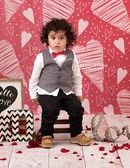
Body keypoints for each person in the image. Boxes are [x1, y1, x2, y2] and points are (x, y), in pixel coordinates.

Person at [29, 18, 92, 148]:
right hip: (46, 91)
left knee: (76, 108)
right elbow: (34, 77)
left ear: (68, 39)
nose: (57, 41)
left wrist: (78, 93)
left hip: (66, 90)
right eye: (53, 38)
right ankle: (46, 135)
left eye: (61, 38)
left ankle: (76, 134)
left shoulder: (72, 56)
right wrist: (33, 94)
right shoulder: (41, 56)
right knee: (50, 109)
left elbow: (76, 76)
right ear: (47, 39)